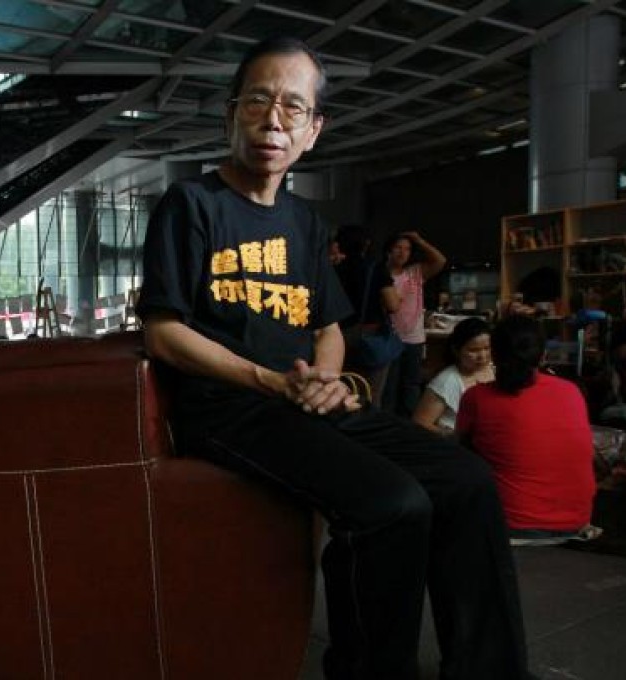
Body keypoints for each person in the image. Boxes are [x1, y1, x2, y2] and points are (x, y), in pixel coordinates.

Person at [137, 36, 529, 680]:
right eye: (258, 101)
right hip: (231, 410)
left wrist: (325, 377)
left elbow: (330, 326)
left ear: (313, 131)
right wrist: (268, 379)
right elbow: (163, 333)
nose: (273, 120)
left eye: (293, 107)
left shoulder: (305, 222)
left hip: (304, 403)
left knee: (467, 480)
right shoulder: (192, 205)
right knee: (394, 504)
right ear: (231, 114)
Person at [457, 315, 596, 544]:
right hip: (577, 521)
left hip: (513, 526)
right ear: (542, 355)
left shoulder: (477, 398)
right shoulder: (571, 391)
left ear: (494, 353)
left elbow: (461, 454)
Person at [382, 230, 447, 416]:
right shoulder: (381, 273)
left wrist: (419, 240)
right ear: (389, 250)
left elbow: (440, 261)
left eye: (407, 249)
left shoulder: (415, 272)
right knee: (390, 386)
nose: (403, 253)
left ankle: (410, 424)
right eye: (398, 248)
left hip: (414, 338)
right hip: (390, 337)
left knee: (411, 385)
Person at [335, 225, 401, 406]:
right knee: (371, 394)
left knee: (342, 390)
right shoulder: (375, 268)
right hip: (369, 335)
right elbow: (392, 304)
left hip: (338, 337)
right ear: (366, 244)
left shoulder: (333, 269)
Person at [412, 317, 493, 435]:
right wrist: (451, 436)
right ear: (456, 350)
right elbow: (419, 423)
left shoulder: (494, 370)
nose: (482, 356)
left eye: (487, 348)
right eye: (473, 350)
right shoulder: (447, 381)